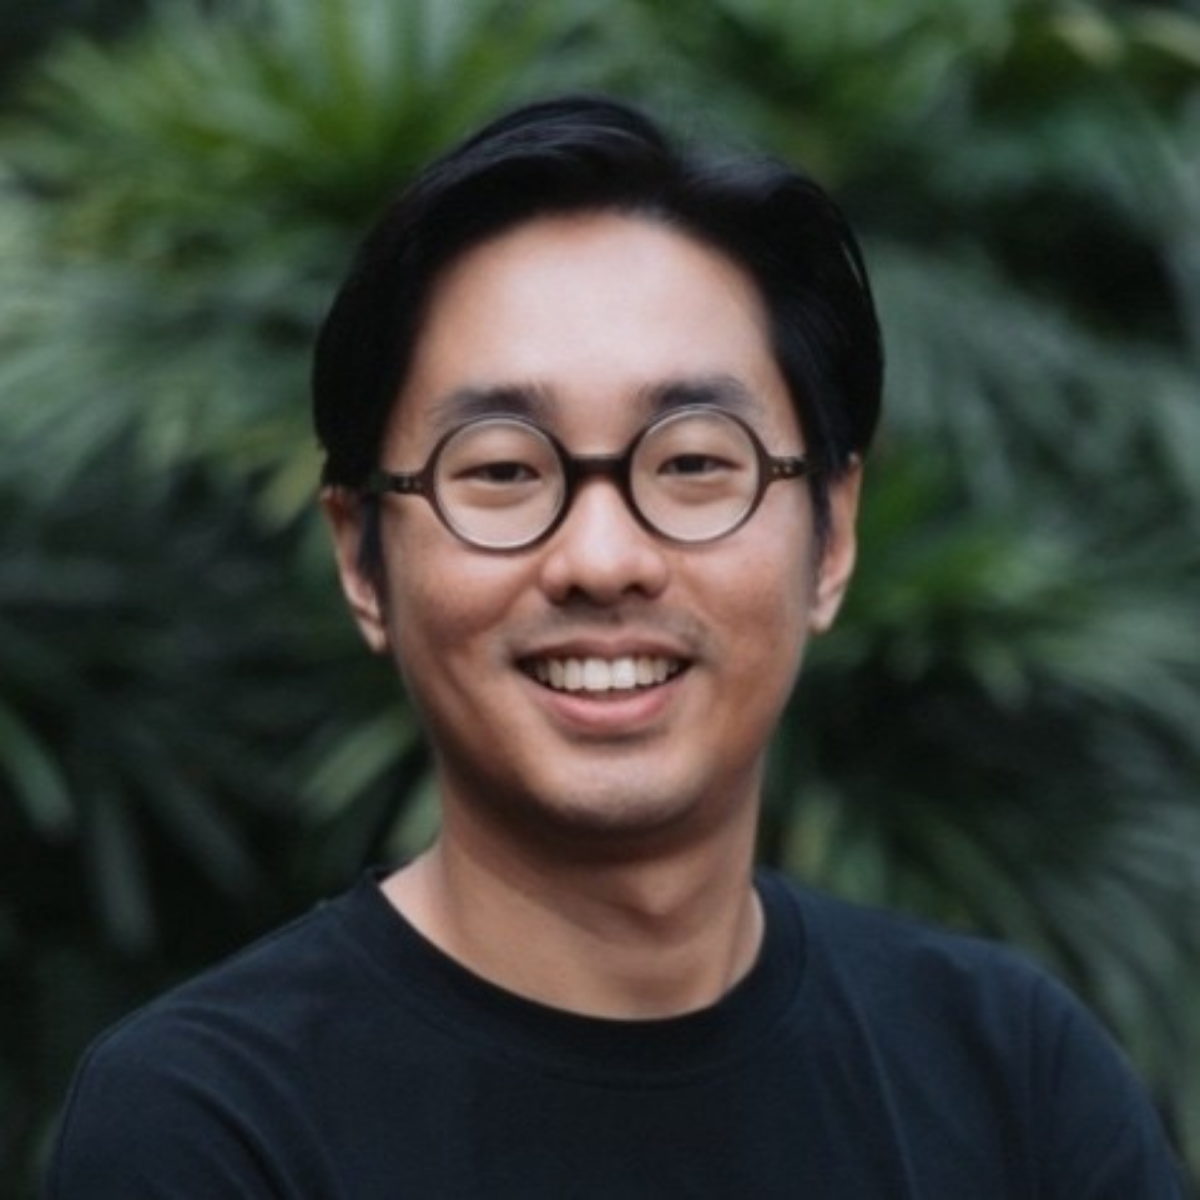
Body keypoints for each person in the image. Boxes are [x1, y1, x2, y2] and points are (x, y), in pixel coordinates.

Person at [47, 94, 1186, 1198]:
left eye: (692, 462)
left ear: (831, 536)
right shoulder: (210, 1123)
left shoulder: (1014, 1079)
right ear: (363, 559)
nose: (602, 557)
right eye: (502, 470)